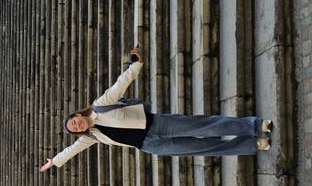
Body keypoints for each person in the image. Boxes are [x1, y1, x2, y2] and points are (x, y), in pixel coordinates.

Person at [40, 46, 273, 173]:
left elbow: (119, 86)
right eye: (75, 129)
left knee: (207, 125)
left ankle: (255, 125)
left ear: (78, 114)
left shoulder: (100, 105)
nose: (78, 126)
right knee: (202, 146)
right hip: (151, 145)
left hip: (156, 123)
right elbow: (71, 150)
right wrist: (55, 161)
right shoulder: (92, 137)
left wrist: (135, 65)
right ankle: (252, 144)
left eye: (75, 122)